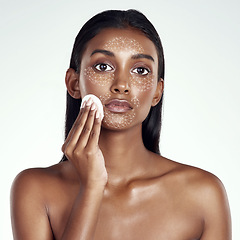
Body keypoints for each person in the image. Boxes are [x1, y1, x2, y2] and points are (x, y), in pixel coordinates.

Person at [10, 9, 231, 240]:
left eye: (140, 70)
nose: (122, 85)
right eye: (103, 67)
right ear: (74, 83)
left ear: (157, 92)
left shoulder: (203, 194)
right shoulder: (35, 188)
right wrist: (92, 188)